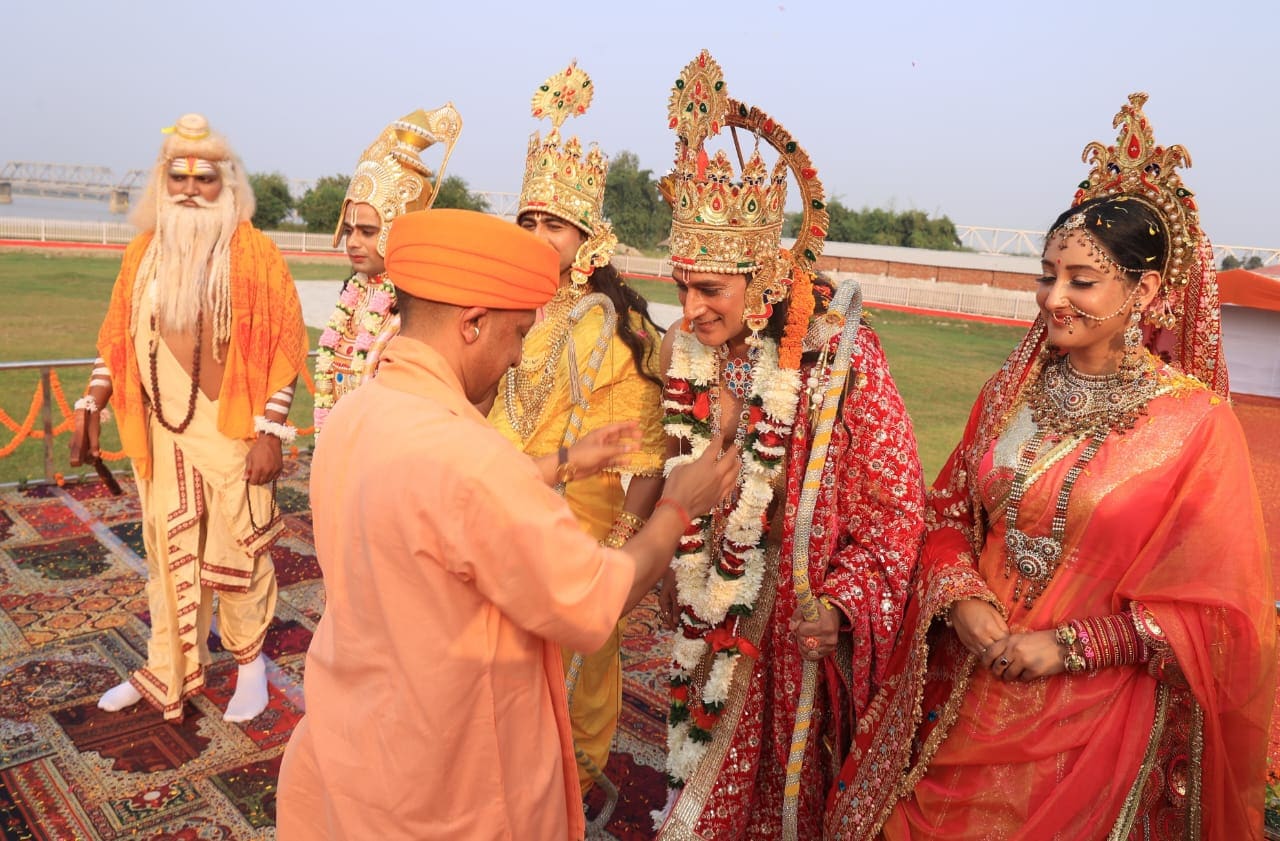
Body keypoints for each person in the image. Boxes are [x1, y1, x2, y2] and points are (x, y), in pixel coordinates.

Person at [824, 93, 1277, 841]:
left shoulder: (1195, 425)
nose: (1052, 298)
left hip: (1094, 721)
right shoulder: (1009, 391)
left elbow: (1218, 613)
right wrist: (963, 597)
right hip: (968, 688)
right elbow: (946, 513)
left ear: (1147, 292)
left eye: (1081, 280)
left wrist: (1070, 646)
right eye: (1046, 275)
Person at [275, 209, 740, 841]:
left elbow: (439, 513)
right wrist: (678, 507)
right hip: (450, 788)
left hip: (353, 751)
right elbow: (595, 597)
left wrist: (569, 460)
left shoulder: (358, 413)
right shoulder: (470, 462)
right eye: (518, 334)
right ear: (472, 324)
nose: (519, 356)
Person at [651, 51, 926, 840]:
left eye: (712, 289)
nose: (692, 307)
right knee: (696, 778)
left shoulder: (839, 358)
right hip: (716, 605)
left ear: (767, 277)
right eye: (682, 285)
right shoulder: (693, 353)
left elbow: (896, 501)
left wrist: (843, 603)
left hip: (793, 627)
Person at [70, 113, 308, 722]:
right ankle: (166, 667)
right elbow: (116, 341)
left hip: (231, 434)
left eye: (205, 179)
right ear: (162, 180)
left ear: (227, 184)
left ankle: (250, 668)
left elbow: (284, 346)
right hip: (161, 433)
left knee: (237, 550)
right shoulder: (142, 253)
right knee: (167, 553)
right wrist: (92, 401)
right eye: (179, 176)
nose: (190, 189)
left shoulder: (253, 253)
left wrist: (271, 431)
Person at [487, 61, 667, 799]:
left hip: (576, 532)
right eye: (526, 221)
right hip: (492, 511)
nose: (536, 236)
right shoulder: (497, 309)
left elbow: (650, 462)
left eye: (552, 224)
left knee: (569, 693)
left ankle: (563, 798)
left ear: (587, 235)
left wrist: (620, 552)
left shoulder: (625, 330)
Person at [313, 104, 462, 432]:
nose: (353, 242)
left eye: (368, 231)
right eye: (349, 230)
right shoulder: (354, 294)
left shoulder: (418, 308)